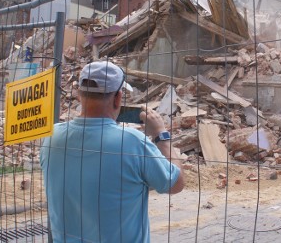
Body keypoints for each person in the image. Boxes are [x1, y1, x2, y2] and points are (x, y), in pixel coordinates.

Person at [40, 61, 184, 243]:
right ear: (118, 98)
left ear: (79, 95)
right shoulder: (132, 142)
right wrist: (160, 135)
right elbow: (175, 184)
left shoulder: (52, 137)